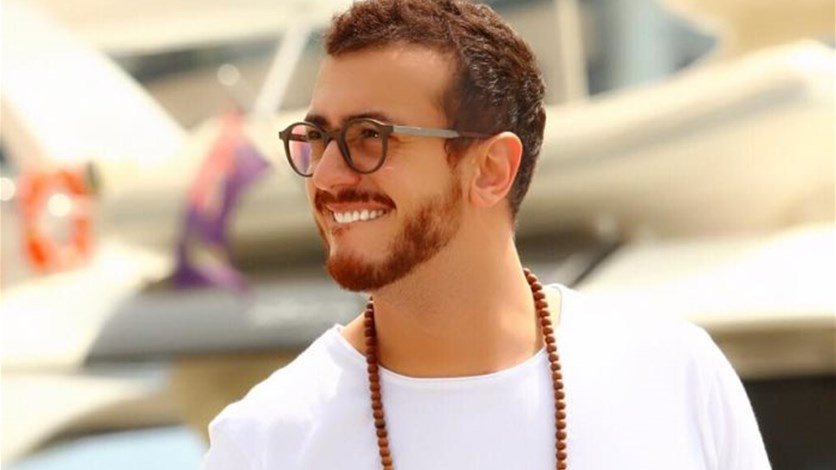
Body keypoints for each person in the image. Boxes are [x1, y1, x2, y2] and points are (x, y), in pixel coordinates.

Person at [203, 1, 770, 468]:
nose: (326, 175)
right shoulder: (264, 443)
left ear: (492, 170)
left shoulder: (673, 376)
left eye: (369, 136)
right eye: (318, 138)